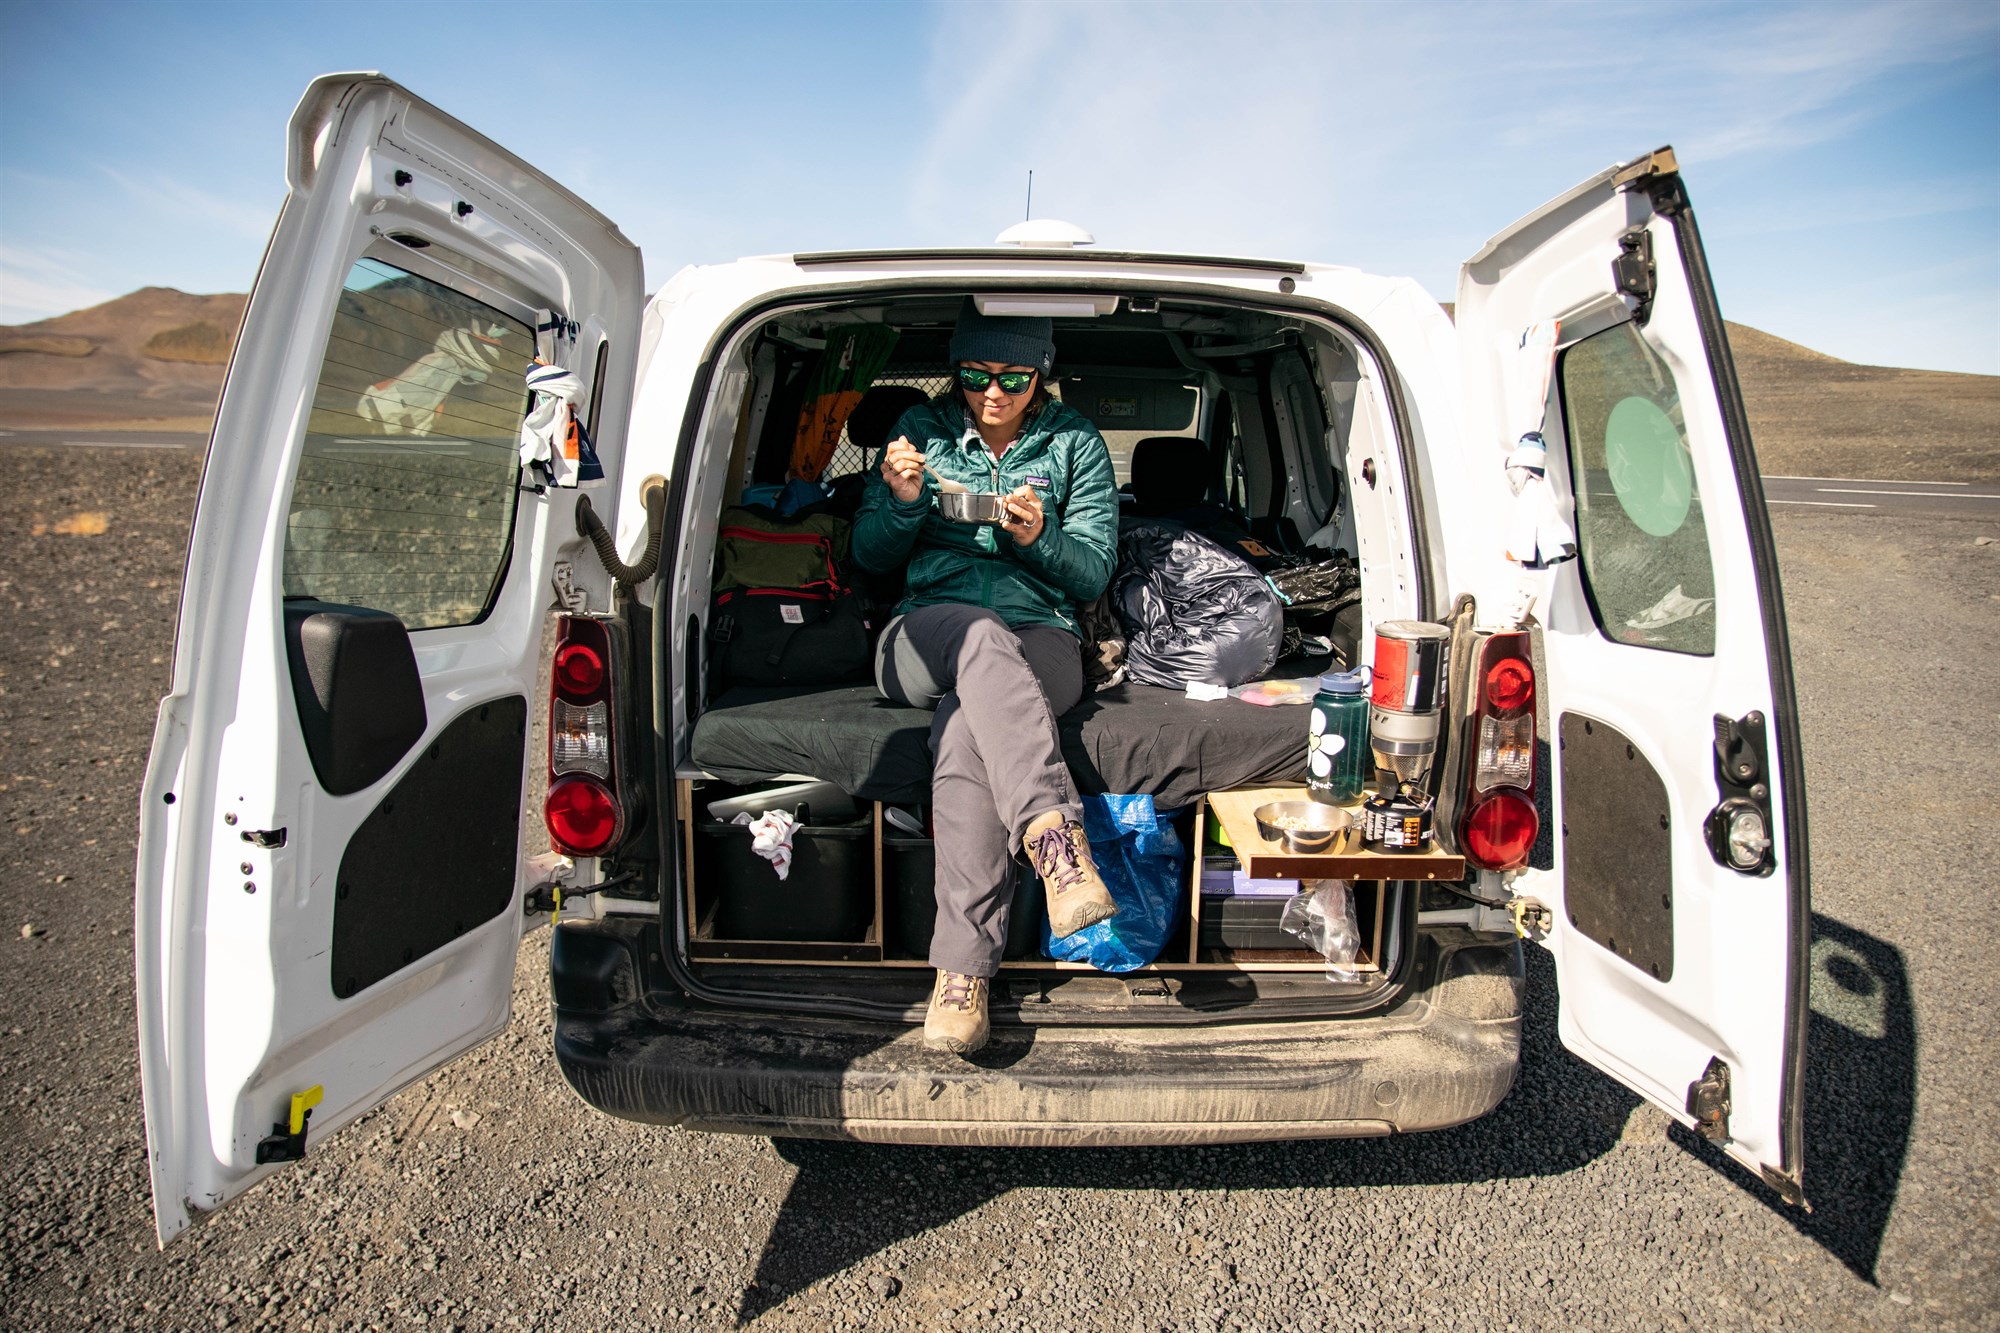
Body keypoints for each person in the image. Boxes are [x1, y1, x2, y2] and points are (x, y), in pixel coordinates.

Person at [852, 299, 1121, 1054]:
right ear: (957, 372)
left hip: (1041, 633)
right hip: (923, 630)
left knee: (965, 727)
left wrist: (1040, 538)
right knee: (977, 634)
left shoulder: (1074, 442)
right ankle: (1057, 841)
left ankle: (961, 973)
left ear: (1041, 376)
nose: (992, 392)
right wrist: (904, 504)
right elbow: (867, 555)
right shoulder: (920, 432)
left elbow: (1094, 570)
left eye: (1012, 377)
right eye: (975, 375)